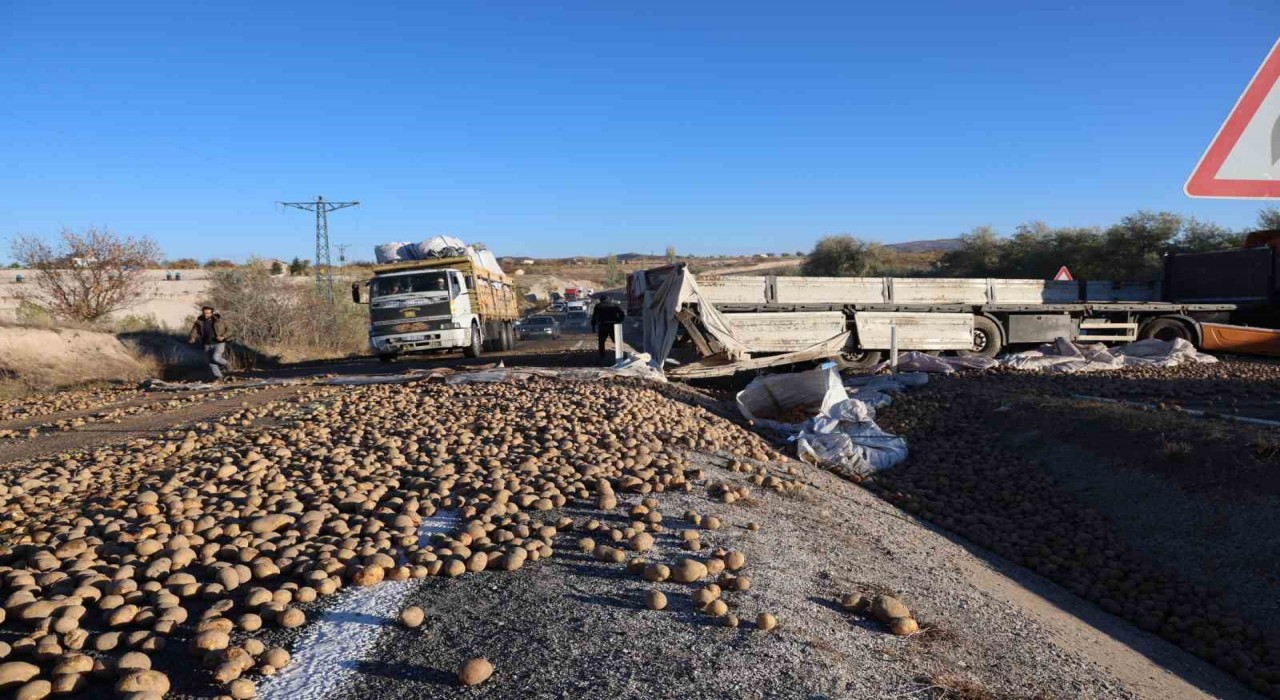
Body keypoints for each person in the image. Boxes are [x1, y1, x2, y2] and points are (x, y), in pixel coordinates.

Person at [188, 305, 231, 381]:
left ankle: (226, 364)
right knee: (210, 362)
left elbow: (230, 330)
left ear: (212, 313)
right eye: (204, 313)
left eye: (208, 313)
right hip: (206, 344)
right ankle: (218, 376)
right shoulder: (199, 321)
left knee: (216, 358)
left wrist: (223, 336)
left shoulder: (219, 320)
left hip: (219, 343)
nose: (206, 315)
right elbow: (195, 330)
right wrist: (193, 337)